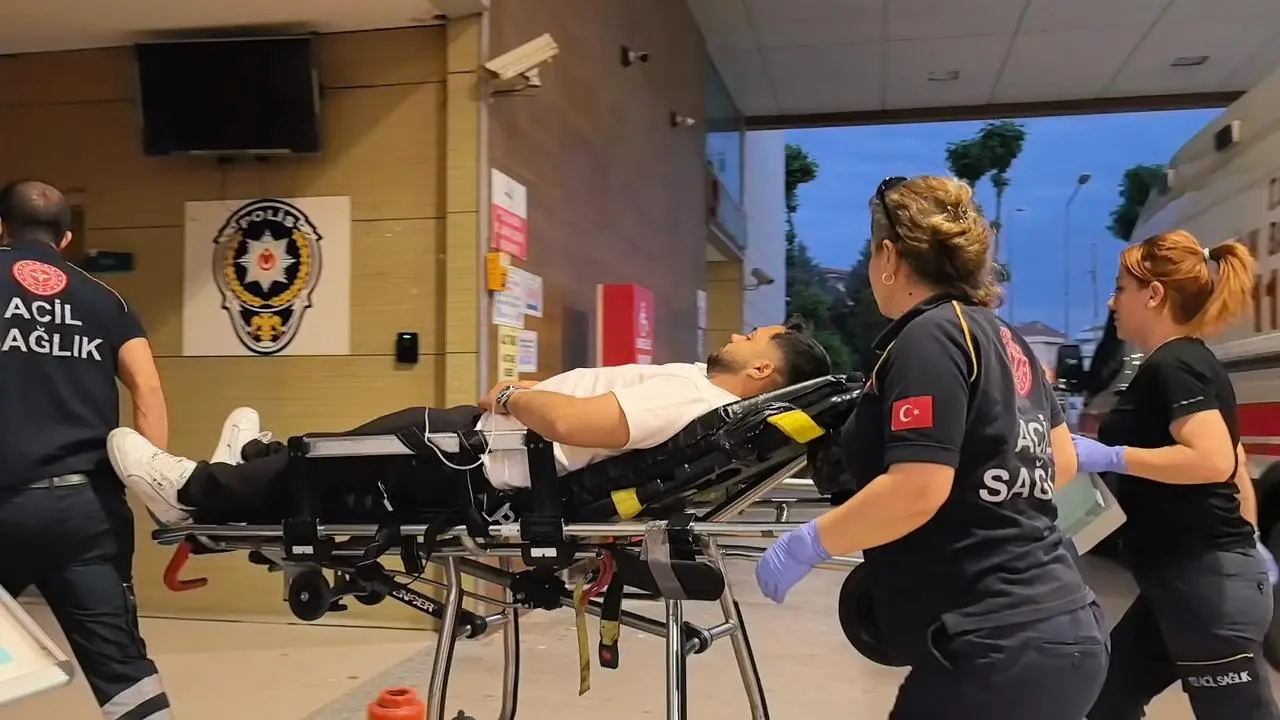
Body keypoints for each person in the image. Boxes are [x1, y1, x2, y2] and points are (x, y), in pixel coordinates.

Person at [754, 175, 1108, 719]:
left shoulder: (929, 338)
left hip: (992, 642)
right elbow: (1058, 462)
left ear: (889, 256)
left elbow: (917, 488)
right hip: (1065, 626)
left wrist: (807, 544)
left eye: (872, 253)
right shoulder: (1005, 338)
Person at [107, 322, 832, 525]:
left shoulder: (690, 398)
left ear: (762, 369)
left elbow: (576, 424)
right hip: (485, 446)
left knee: (335, 460)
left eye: (754, 336)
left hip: (480, 458)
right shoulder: (696, 389)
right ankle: (247, 465)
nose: (738, 333)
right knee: (339, 454)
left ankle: (194, 492)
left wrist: (512, 395)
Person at [1069, 230, 1280, 719]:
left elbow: (1213, 460)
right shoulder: (1183, 362)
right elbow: (1236, 464)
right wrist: (1249, 539)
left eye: (1120, 288)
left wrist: (1112, 457)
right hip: (1182, 580)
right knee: (1105, 698)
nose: (1112, 302)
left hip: (1204, 587)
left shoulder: (1175, 366)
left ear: (1154, 294)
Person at [0, 181, 175, 718]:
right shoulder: (106, 299)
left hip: (5, 504)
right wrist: (156, 494)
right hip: (88, 514)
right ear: (66, 238)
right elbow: (148, 390)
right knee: (125, 675)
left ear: (1, 228)